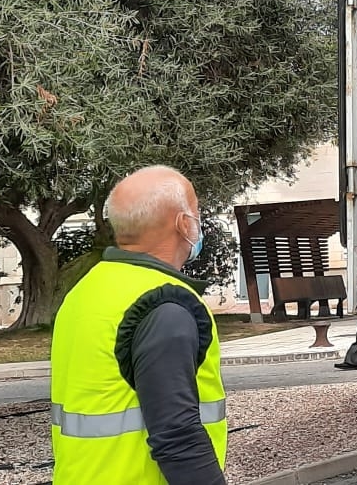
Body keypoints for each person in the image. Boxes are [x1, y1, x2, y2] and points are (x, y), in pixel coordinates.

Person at [51, 166, 227, 485]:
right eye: (197, 211)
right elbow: (178, 438)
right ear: (184, 223)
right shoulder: (164, 306)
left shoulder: (86, 291)